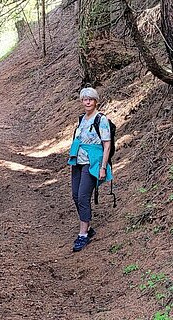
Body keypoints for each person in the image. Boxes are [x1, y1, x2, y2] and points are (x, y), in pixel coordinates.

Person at [68, 87, 113, 252]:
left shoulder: (101, 119)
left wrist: (103, 168)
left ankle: (83, 234)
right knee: (75, 195)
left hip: (92, 163)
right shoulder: (82, 118)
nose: (87, 102)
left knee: (82, 197)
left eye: (90, 99)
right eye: (85, 99)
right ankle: (87, 226)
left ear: (96, 101)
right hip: (78, 162)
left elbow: (107, 145)